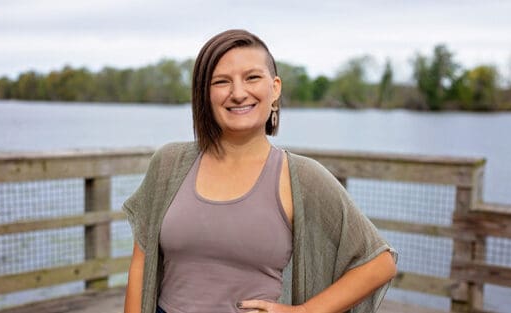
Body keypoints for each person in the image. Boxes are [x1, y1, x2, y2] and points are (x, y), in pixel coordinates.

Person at [123, 29, 397, 313]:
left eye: (252, 77)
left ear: (275, 88)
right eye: (221, 81)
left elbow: (379, 263)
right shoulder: (169, 163)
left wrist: (304, 311)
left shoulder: (301, 177)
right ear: (205, 93)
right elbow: (141, 262)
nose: (238, 93)